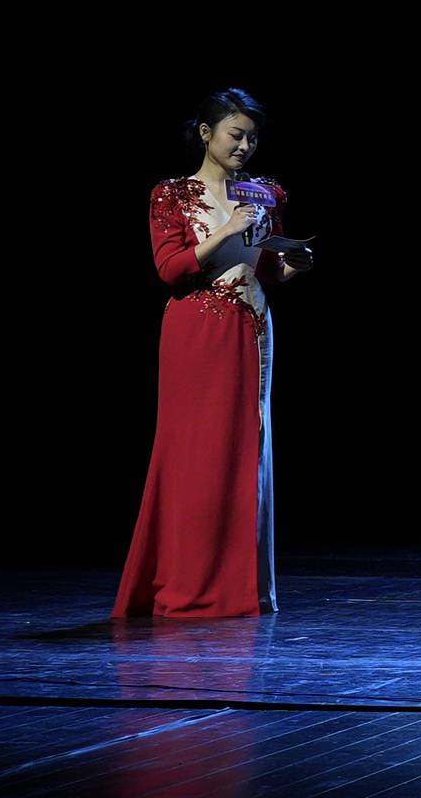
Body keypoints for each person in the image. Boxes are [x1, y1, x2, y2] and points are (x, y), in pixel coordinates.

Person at [114, 88, 303, 620]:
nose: (245, 146)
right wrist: (226, 230)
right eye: (235, 135)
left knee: (247, 447)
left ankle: (239, 588)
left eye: (252, 138)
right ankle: (187, 582)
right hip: (197, 328)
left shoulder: (266, 192)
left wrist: (294, 266)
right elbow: (171, 269)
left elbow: (267, 266)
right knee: (195, 454)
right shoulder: (172, 194)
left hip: (253, 327)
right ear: (206, 133)